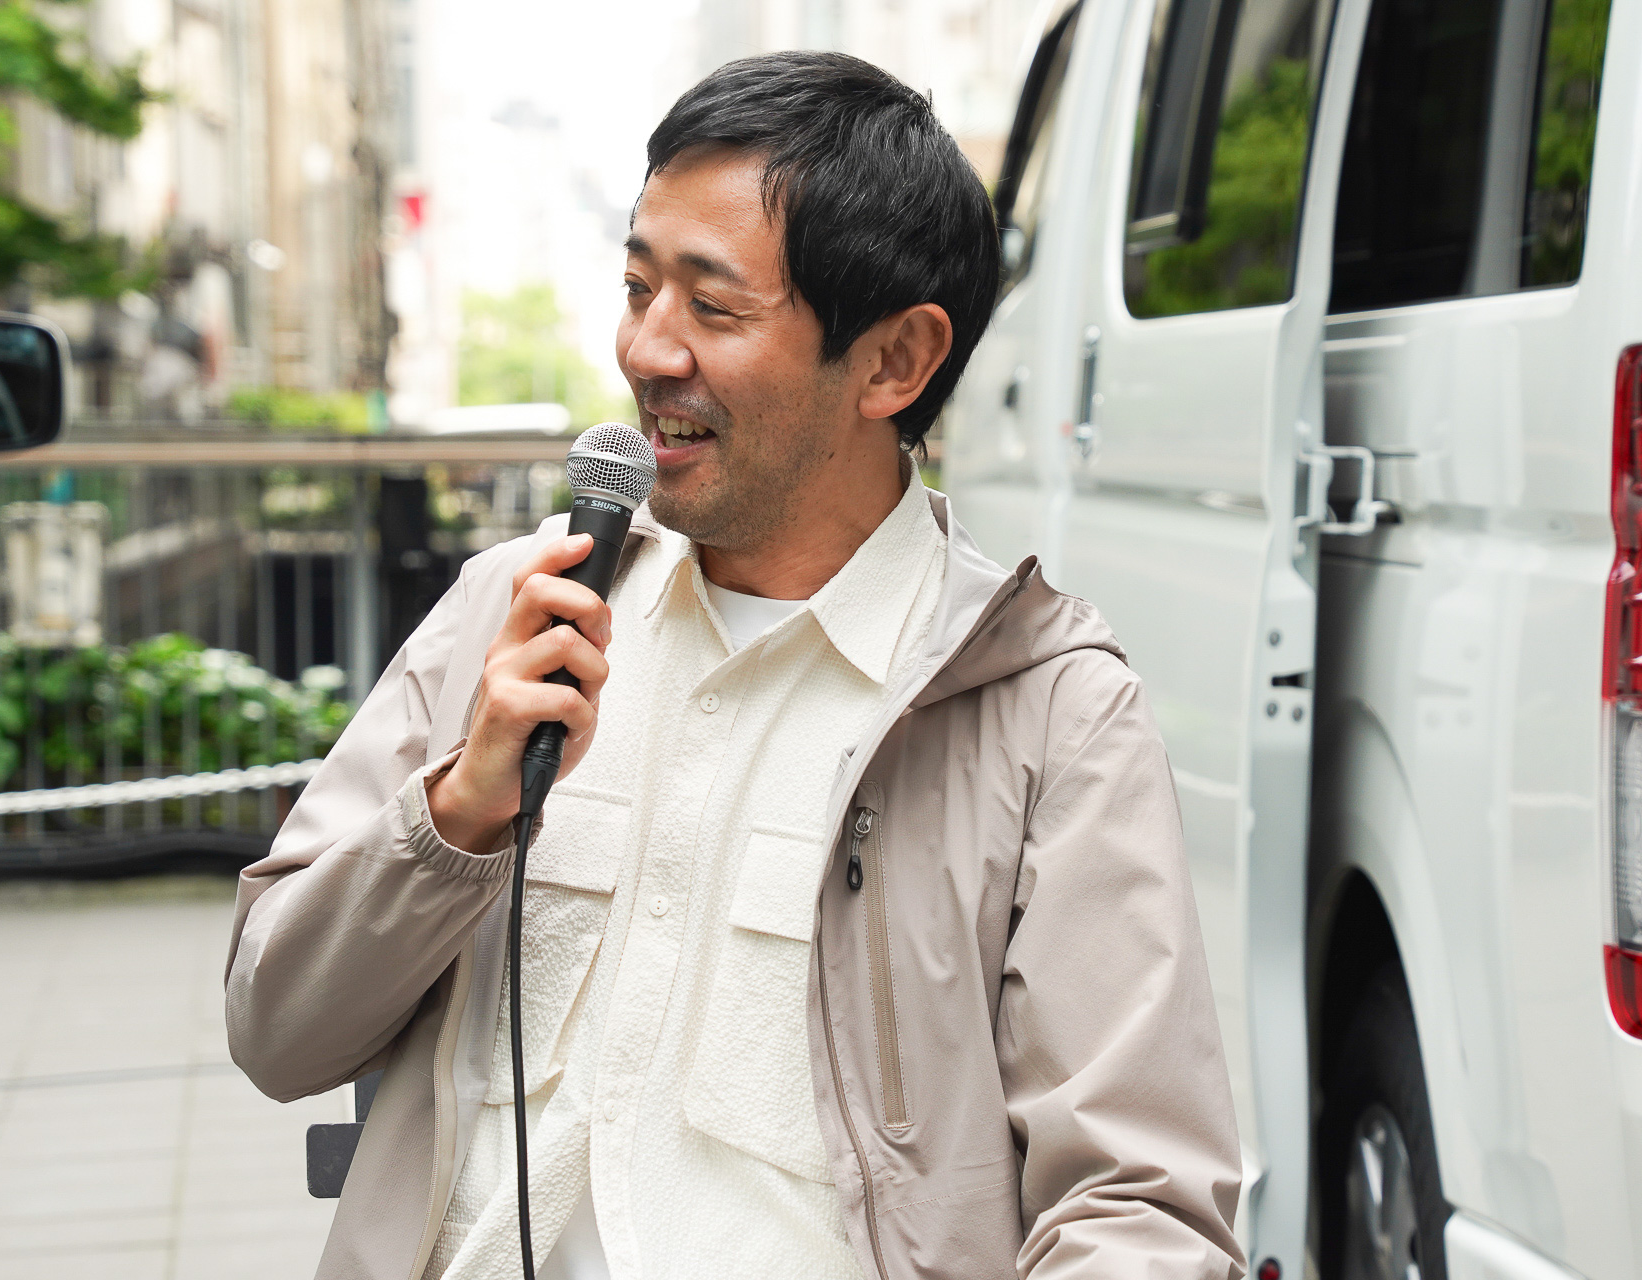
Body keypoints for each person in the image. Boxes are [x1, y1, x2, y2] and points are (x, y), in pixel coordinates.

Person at [226, 51, 1245, 1280]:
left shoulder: (1047, 711)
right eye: (637, 285)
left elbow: (1138, 1203)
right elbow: (272, 1029)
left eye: (712, 307)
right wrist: (456, 816)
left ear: (894, 362)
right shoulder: (519, 607)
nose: (648, 352)